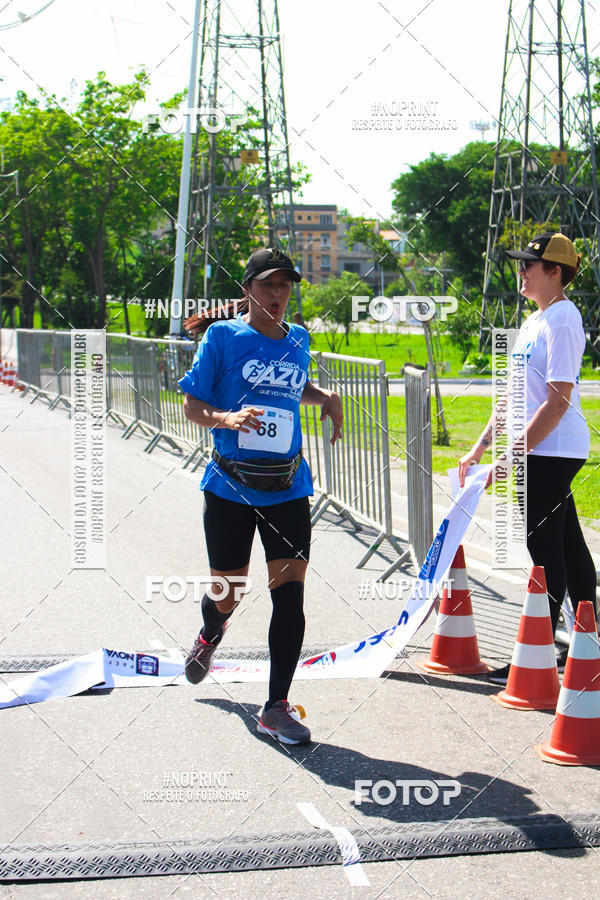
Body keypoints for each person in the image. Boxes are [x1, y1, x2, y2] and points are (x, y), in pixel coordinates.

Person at [178, 247, 343, 744]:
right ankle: (211, 634)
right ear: (248, 289)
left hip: (288, 488)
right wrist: (226, 418)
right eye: (269, 285)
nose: (278, 294)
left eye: (285, 286)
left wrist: (326, 397)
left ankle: (275, 707)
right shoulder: (223, 338)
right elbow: (191, 404)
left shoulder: (299, 339)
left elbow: (291, 389)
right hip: (230, 487)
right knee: (228, 593)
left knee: (289, 597)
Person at [458, 232, 597, 685]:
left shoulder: (562, 320)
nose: (521, 272)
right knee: (570, 551)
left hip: (553, 449)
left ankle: (539, 655)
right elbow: (512, 398)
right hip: (542, 450)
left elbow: (556, 402)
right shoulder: (535, 320)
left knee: (544, 555)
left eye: (529, 266)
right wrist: (481, 446)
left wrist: (510, 458)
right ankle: (586, 645)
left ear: (554, 272)